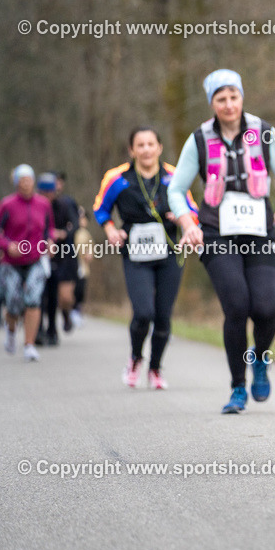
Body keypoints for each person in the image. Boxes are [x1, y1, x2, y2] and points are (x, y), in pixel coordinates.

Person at [168, 69, 275, 414]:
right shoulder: (199, 139)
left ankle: (260, 357)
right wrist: (188, 224)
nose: (228, 104)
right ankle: (238, 387)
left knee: (267, 310)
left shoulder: (263, 132)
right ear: (211, 103)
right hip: (216, 233)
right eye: (221, 99)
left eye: (233, 97)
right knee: (237, 307)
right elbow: (176, 189)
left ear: (242, 97)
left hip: (259, 231)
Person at [95, 127, 195, 389]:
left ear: (159, 148)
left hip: (169, 252)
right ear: (132, 150)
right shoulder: (117, 178)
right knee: (143, 313)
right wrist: (110, 230)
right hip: (136, 253)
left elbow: (192, 210)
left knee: (163, 316)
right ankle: (136, 358)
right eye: (140, 145)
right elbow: (100, 208)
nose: (146, 150)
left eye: (151, 144)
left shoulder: (174, 176)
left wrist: (182, 219)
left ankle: (156, 369)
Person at [0, 164, 54, 361]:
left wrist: (50, 242)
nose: (26, 184)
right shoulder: (7, 205)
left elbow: (49, 229)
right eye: (22, 180)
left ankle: (29, 345)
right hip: (11, 262)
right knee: (14, 303)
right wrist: (7, 245)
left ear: (34, 182)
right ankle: (10, 331)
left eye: (29, 180)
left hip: (36, 259)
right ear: (16, 183)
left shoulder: (43, 204)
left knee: (33, 300)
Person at [36, 172, 79, 345]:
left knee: (56, 295)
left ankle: (53, 329)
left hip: (61, 254)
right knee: (40, 295)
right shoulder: (35, 205)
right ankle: (38, 330)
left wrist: (63, 233)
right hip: (38, 254)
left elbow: (75, 224)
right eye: (44, 192)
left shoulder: (64, 204)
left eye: (50, 192)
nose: (48, 195)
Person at [71, 206, 92, 328]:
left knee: (80, 290)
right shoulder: (71, 230)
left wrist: (89, 253)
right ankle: (69, 312)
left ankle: (77, 312)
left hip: (82, 266)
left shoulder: (85, 233)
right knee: (71, 290)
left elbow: (91, 247)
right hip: (70, 265)